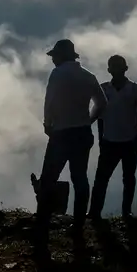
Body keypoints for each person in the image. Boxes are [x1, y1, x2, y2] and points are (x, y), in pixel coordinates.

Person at [35, 39, 107, 259]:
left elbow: (50, 101)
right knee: (80, 178)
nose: (53, 60)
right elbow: (102, 103)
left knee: (48, 178)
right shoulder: (88, 76)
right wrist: (89, 121)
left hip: (62, 133)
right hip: (83, 132)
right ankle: (77, 225)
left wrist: (48, 125)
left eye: (54, 56)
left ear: (60, 56)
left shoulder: (58, 74)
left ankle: (42, 226)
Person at [89, 55, 137, 220]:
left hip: (128, 141)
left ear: (125, 69)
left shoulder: (135, 90)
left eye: (118, 66)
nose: (115, 70)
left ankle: (125, 211)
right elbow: (100, 116)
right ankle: (95, 211)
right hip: (111, 141)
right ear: (109, 70)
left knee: (126, 178)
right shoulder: (105, 90)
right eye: (113, 67)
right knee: (103, 178)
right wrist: (102, 138)